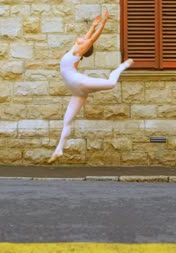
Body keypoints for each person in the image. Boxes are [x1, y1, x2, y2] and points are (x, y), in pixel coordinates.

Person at [48, 9, 134, 164]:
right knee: (67, 120)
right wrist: (93, 25)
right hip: (76, 91)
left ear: (84, 47)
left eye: (83, 39)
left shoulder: (79, 50)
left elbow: (92, 39)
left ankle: (121, 67)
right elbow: (88, 37)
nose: (81, 37)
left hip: (79, 82)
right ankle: (59, 149)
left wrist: (104, 23)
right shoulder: (75, 48)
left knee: (112, 83)